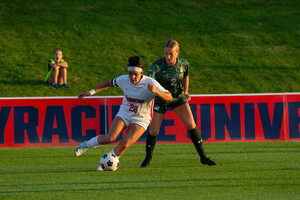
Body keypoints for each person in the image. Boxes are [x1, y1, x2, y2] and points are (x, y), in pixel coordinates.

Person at [74, 56, 173, 171]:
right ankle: (86, 145)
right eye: (130, 74)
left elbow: (169, 97)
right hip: (124, 114)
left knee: (125, 143)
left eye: (135, 74)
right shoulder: (123, 79)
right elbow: (108, 83)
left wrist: (157, 91)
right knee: (110, 138)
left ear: (141, 73)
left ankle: (105, 164)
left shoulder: (150, 82)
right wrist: (90, 92)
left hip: (141, 119)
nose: (132, 77)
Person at [140, 40, 216, 168]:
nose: (168, 57)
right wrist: (153, 91)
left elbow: (186, 75)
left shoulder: (183, 64)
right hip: (161, 98)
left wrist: (186, 91)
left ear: (177, 53)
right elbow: (149, 80)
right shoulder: (157, 66)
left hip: (178, 98)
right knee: (153, 131)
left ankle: (203, 157)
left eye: (171, 54)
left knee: (191, 124)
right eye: (166, 53)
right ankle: (148, 158)